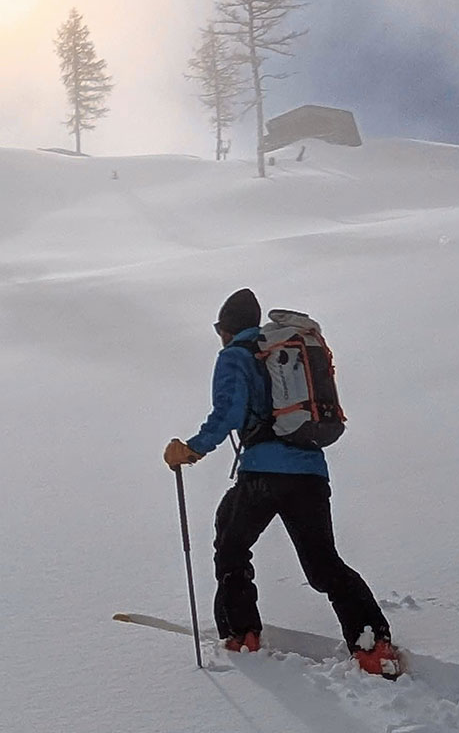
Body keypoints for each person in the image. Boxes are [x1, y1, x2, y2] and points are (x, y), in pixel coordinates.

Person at [162, 288, 401, 677]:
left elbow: (228, 411)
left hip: (263, 473)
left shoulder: (235, 357)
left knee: (232, 547)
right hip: (310, 471)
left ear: (225, 329)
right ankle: (374, 646)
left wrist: (192, 449)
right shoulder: (282, 353)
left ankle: (243, 635)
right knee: (323, 564)